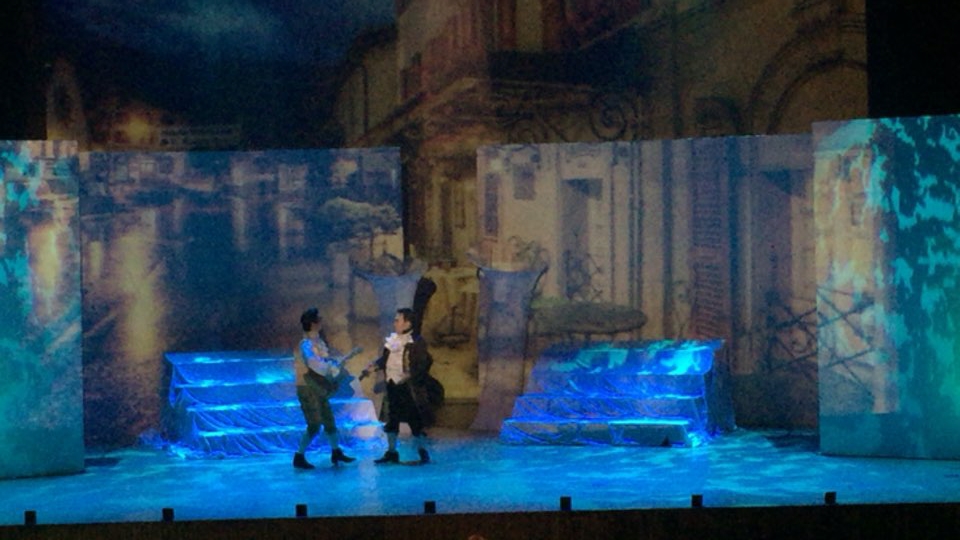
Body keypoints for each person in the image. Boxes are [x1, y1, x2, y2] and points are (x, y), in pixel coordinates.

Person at [362, 307, 441, 464]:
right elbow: (385, 360)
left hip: (408, 387)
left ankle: (422, 451)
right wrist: (374, 367)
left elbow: (423, 363)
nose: (395, 323)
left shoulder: (416, 342)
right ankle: (391, 452)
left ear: (407, 323)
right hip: (392, 385)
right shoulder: (392, 341)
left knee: (414, 420)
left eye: (398, 320)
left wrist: (410, 374)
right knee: (392, 418)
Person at [292, 307, 355, 469]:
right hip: (308, 388)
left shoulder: (317, 342)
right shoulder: (306, 345)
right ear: (313, 324)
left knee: (328, 420)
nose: (321, 322)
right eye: (319, 320)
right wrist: (331, 369)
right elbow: (315, 365)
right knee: (314, 424)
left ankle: (335, 451)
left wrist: (334, 366)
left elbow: (323, 363)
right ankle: (299, 455)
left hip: (318, 387)